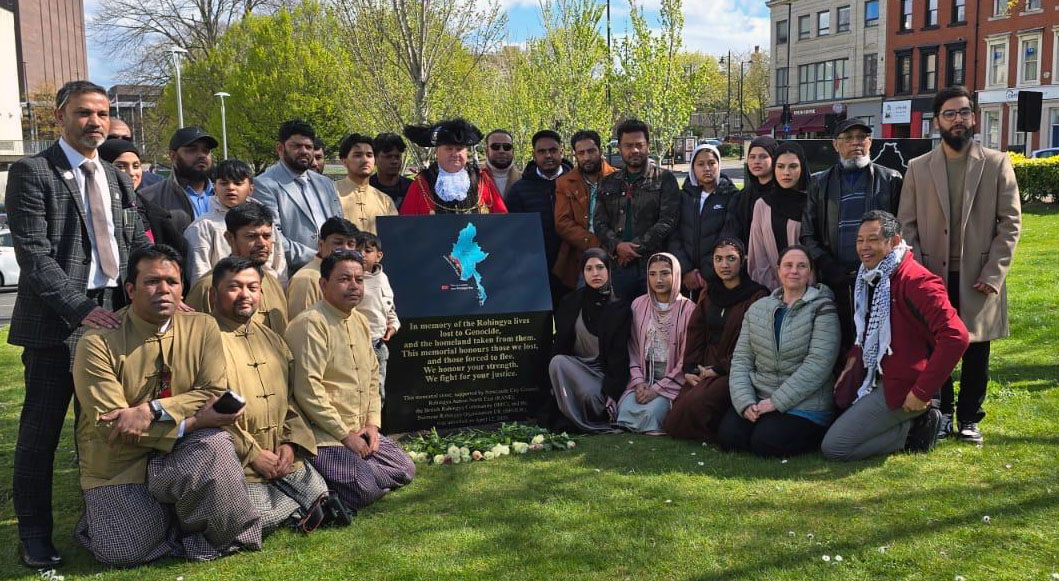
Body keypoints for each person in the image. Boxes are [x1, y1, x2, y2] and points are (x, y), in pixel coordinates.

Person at [5, 80, 149, 567]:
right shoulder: (32, 171)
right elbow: (34, 255)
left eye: (103, 114)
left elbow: (132, 249)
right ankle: (35, 536)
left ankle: (112, 521)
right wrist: (78, 308)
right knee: (41, 434)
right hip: (56, 324)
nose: (95, 122)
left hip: (114, 316)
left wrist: (160, 291)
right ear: (60, 116)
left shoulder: (116, 176)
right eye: (85, 113)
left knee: (108, 427)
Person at [72, 245, 260, 566]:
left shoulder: (202, 327)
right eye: (152, 282)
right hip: (119, 461)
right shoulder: (96, 342)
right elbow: (112, 425)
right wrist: (194, 420)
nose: (164, 290)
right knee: (122, 552)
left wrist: (151, 410)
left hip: (182, 448)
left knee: (215, 446)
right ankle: (156, 521)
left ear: (182, 288)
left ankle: (168, 517)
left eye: (172, 282)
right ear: (130, 290)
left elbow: (212, 390)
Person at [897, 86, 1022, 444]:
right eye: (949, 114)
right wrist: (919, 274)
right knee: (938, 345)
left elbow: (1010, 223)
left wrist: (994, 272)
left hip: (978, 275)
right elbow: (907, 226)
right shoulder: (918, 168)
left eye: (963, 112)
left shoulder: (997, 164)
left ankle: (969, 418)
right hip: (932, 276)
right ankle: (942, 413)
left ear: (974, 117)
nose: (957, 120)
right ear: (936, 121)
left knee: (976, 348)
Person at [209, 256, 344, 533]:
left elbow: (291, 401)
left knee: (318, 493)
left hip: (281, 456)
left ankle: (295, 508)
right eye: (234, 287)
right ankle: (289, 511)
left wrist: (290, 444)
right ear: (213, 294)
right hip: (241, 461)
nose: (245, 295)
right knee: (262, 518)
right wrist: (253, 454)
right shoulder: (203, 341)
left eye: (253, 287)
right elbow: (205, 409)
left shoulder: (273, 339)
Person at [821, 212, 969, 461]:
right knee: (828, 425)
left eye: (873, 240)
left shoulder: (918, 281)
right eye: (859, 240)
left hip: (904, 386)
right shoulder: (870, 276)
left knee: (835, 447)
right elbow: (867, 329)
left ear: (895, 241)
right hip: (874, 376)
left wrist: (921, 391)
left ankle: (914, 429)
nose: (864, 248)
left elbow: (956, 336)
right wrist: (852, 363)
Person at [286, 250, 415, 510]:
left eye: (359, 279)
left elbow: (369, 377)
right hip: (325, 435)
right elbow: (308, 390)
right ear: (323, 284)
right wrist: (346, 436)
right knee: (365, 490)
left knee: (406, 467)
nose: (354, 286)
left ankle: (357, 473)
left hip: (359, 430)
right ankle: (348, 476)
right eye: (344, 279)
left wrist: (372, 425)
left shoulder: (359, 320)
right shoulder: (312, 324)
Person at [720, 245, 840, 457]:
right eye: (788, 265)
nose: (794, 271)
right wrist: (745, 401)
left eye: (801, 266)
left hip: (806, 403)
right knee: (731, 437)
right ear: (778, 270)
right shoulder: (758, 308)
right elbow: (741, 360)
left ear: (810, 272)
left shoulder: (823, 308)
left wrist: (776, 402)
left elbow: (818, 365)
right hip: (760, 396)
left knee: (765, 442)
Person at [801, 118, 903, 351]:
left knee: (878, 343)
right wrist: (826, 263)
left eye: (861, 138)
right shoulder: (819, 183)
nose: (856, 143)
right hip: (835, 279)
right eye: (848, 138)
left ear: (871, 143)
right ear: (836, 145)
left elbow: (900, 229)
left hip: (880, 279)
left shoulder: (891, 180)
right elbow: (807, 233)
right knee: (839, 344)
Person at [664, 239, 768, 442]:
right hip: (706, 363)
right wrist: (691, 368)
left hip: (736, 367)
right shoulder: (709, 293)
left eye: (731, 259)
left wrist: (721, 368)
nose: (724, 265)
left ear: (743, 261)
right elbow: (696, 332)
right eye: (718, 259)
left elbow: (756, 342)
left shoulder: (757, 295)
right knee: (678, 409)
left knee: (697, 404)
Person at [594, 119, 680, 299]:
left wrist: (634, 248)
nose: (634, 150)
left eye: (639, 145)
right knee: (621, 320)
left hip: (654, 266)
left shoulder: (664, 179)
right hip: (618, 265)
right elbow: (599, 223)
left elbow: (668, 221)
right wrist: (618, 246)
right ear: (619, 147)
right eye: (628, 145)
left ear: (648, 145)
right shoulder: (608, 181)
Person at [549, 248, 631, 432]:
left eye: (600, 267)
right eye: (589, 269)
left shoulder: (620, 307)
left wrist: (612, 393)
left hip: (603, 376)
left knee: (590, 397)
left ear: (609, 271)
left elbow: (620, 356)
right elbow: (560, 343)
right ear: (582, 273)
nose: (595, 273)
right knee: (557, 362)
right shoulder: (571, 302)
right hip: (577, 368)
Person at [616, 252, 694, 434]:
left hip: (671, 381)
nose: (658, 279)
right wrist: (639, 383)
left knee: (652, 414)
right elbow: (632, 348)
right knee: (625, 410)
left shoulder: (688, 309)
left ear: (676, 275)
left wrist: (657, 389)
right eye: (652, 274)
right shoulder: (638, 305)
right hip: (643, 378)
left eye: (665, 273)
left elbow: (686, 358)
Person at [185, 203, 289, 335]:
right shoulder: (208, 286)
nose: (262, 244)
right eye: (251, 236)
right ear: (229, 238)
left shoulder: (273, 284)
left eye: (267, 236)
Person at [254, 119, 343, 271]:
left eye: (309, 147)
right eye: (296, 146)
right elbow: (273, 238)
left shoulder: (325, 183)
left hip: (334, 272)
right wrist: (318, 258)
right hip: (293, 276)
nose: (304, 151)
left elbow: (341, 227)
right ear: (280, 148)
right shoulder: (264, 185)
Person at [183, 159, 288, 284]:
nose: (231, 188)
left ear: (251, 189)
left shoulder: (264, 222)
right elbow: (199, 275)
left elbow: (280, 266)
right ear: (215, 188)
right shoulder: (202, 227)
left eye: (238, 183)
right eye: (224, 183)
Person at [507, 129, 573, 307]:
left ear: (562, 151)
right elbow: (514, 235)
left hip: (572, 269)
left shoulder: (577, 184)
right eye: (542, 151)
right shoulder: (519, 190)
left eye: (553, 150)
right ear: (534, 155)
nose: (548, 155)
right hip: (535, 271)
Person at [668, 143, 740, 298]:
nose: (707, 168)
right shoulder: (682, 197)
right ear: (693, 167)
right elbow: (673, 234)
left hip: (717, 276)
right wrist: (686, 270)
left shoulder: (731, 196)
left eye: (711, 163)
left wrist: (707, 272)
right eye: (700, 164)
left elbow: (728, 235)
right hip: (685, 278)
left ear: (719, 165)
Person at [399, 118, 508, 215]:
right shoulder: (421, 184)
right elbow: (406, 226)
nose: (455, 154)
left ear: (466, 152)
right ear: (436, 151)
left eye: (459, 149)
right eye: (449, 148)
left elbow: (502, 223)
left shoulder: (483, 181)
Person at [553, 129, 618, 290]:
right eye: (581, 153)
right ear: (575, 155)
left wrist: (612, 245)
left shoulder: (617, 178)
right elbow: (562, 223)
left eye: (591, 151)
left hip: (615, 254)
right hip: (582, 256)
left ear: (600, 151)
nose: (586, 157)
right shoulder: (565, 183)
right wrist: (596, 244)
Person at [98, 138, 183, 250]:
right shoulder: (91, 210)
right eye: (121, 166)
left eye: (136, 166)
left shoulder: (156, 215)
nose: (131, 173)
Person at [747, 141, 809, 291]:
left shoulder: (813, 202)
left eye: (793, 166)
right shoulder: (762, 205)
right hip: (771, 293)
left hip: (809, 293)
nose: (786, 172)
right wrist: (777, 291)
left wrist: (805, 290)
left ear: (802, 167)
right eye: (780, 166)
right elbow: (758, 256)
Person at [139, 126, 219, 239]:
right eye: (192, 150)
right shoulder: (149, 198)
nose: (201, 155)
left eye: (206, 150)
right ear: (173, 156)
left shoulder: (227, 193)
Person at [354, 232, 400, 401]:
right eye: (357, 250)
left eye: (367, 250)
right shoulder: (352, 280)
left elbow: (390, 308)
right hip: (357, 346)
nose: (362, 255)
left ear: (378, 256)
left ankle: (375, 425)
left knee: (378, 390)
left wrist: (393, 325)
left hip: (379, 345)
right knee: (359, 391)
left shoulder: (383, 278)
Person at [287, 217, 361, 319]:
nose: (345, 249)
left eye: (350, 244)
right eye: (338, 243)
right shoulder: (307, 279)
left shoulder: (352, 276)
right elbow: (303, 327)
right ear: (321, 244)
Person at [335, 133, 398, 234]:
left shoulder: (385, 201)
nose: (365, 160)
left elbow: (395, 235)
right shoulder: (331, 193)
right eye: (357, 155)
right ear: (344, 161)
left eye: (369, 155)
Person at [732, 136, 780, 245]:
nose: (756, 161)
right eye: (752, 157)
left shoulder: (783, 193)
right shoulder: (743, 196)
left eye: (763, 157)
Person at [107, 119, 163, 188]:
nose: (120, 142)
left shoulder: (156, 185)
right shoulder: (92, 185)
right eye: (112, 139)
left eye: (126, 139)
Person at [369, 132, 414, 208]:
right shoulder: (365, 188)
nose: (394, 161)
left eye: (397, 157)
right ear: (375, 159)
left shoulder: (412, 189)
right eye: (388, 157)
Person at [481, 129, 521, 200]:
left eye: (507, 147)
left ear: (513, 151)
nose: (501, 151)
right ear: (487, 151)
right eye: (495, 146)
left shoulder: (524, 179)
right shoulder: (475, 180)